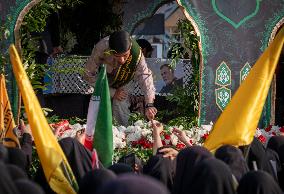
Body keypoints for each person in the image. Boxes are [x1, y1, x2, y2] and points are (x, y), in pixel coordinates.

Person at [84, 30, 157, 126]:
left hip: (125, 79)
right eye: (117, 56)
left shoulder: (136, 51)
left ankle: (124, 133)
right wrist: (112, 92)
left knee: (119, 101)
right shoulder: (101, 47)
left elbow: (145, 76)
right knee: (99, 104)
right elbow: (88, 74)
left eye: (125, 55)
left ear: (130, 48)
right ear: (110, 50)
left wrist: (149, 104)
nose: (122, 60)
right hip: (104, 79)